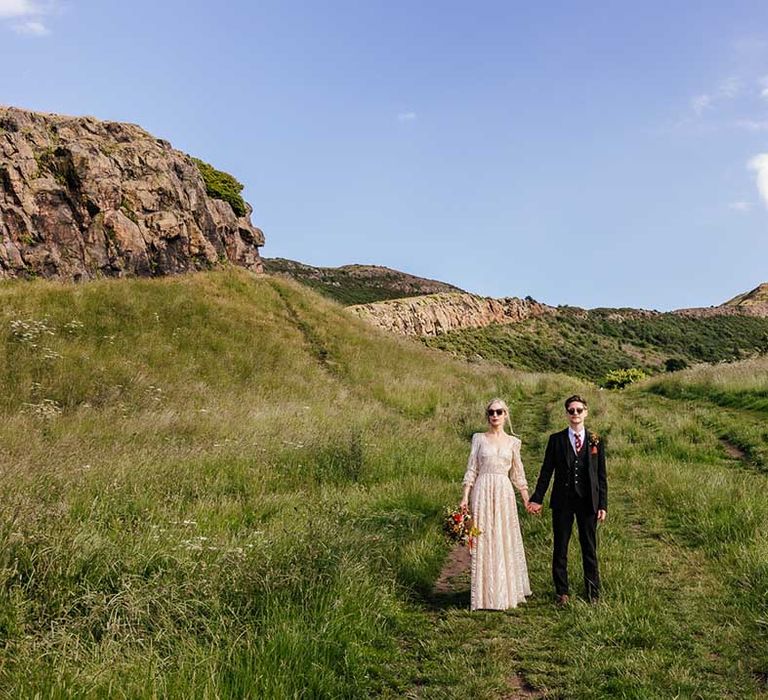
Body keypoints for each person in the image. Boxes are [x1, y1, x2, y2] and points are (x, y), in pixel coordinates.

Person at [527, 394, 607, 604]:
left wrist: (602, 504)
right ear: (566, 414)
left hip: (588, 501)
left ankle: (593, 592)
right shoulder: (556, 440)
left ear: (586, 413)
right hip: (563, 501)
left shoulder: (596, 439)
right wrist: (537, 498)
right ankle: (562, 592)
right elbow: (546, 471)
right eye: (571, 410)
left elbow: (601, 475)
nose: (575, 414)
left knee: (589, 547)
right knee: (560, 547)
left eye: (579, 410)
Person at [460, 398, 531, 610]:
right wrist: (464, 496)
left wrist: (527, 499)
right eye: (491, 412)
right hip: (482, 489)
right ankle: (483, 595)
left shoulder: (513, 442)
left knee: (503, 536)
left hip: (503, 491)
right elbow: (472, 468)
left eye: (499, 412)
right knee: (483, 537)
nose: (495, 416)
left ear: (506, 415)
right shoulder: (478, 439)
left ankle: (504, 592)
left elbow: (518, 473)